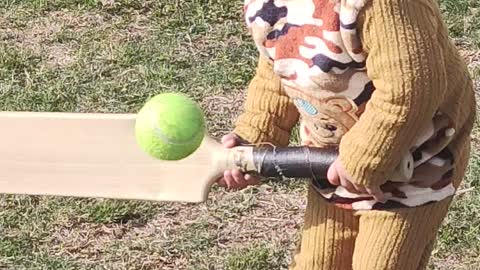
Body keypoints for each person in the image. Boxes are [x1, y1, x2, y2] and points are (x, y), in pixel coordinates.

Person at [216, 0, 477, 269]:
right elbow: (278, 67)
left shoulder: (383, 6)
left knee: (381, 262)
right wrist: (256, 135)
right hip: (329, 157)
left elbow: (412, 89)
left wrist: (363, 157)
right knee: (318, 262)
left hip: (415, 157)